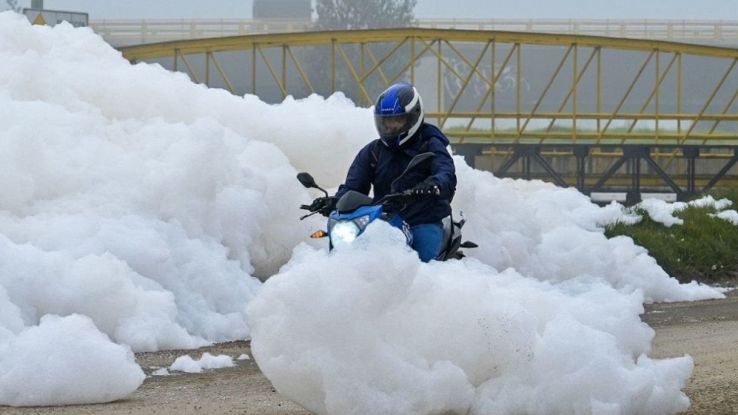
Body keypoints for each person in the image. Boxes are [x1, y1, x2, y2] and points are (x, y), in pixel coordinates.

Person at [323, 82, 457, 262]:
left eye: (398, 120)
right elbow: (353, 187)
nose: (391, 126)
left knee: (425, 265)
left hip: (421, 220)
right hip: (382, 221)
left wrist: (431, 186)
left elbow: (445, 174)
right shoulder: (373, 152)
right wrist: (334, 201)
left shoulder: (431, 146)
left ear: (413, 117)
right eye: (387, 121)